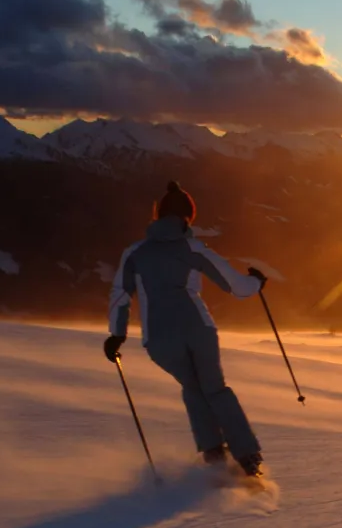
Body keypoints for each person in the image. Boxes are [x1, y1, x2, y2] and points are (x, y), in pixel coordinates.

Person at [103, 181, 270, 477]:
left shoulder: (135, 252)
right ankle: (248, 459)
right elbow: (235, 286)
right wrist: (256, 282)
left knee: (193, 388)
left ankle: (214, 455)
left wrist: (117, 334)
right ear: (187, 216)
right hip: (198, 329)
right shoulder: (193, 247)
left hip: (158, 339)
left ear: (158, 215)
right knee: (215, 389)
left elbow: (120, 295)